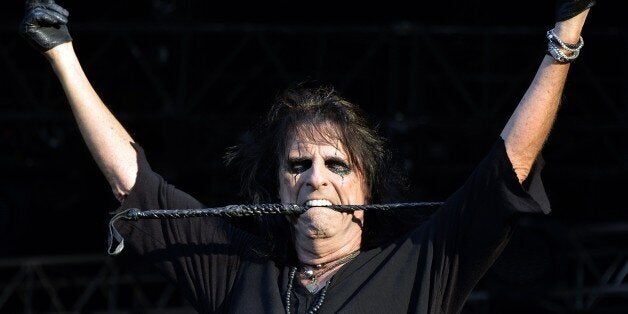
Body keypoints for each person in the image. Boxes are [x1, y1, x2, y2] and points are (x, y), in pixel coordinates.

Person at [19, 0, 595, 313]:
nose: (315, 178)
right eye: (297, 166)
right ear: (277, 190)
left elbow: (508, 167)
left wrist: (562, 43)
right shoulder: (237, 271)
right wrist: (62, 55)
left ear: (367, 190)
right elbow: (132, 181)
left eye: (337, 165)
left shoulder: (420, 263)